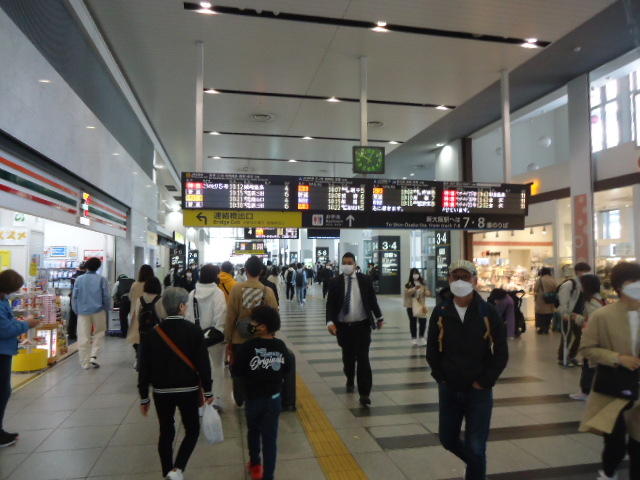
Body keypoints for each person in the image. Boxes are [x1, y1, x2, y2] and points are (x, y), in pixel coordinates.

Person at [426, 260, 508, 480]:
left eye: (465, 277)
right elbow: (432, 348)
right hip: (449, 388)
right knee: (447, 439)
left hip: (478, 390)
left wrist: (485, 381)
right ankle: (478, 468)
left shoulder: (487, 311)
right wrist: (440, 377)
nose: (460, 281)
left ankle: (476, 474)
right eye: (456, 277)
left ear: (475, 280)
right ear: (449, 279)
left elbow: (501, 351)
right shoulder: (441, 311)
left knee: (476, 445)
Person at [138, 287, 213, 480]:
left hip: (161, 391)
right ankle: (177, 469)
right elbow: (203, 364)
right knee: (192, 429)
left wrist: (144, 397)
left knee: (166, 431)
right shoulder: (194, 331)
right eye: (186, 304)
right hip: (188, 389)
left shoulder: (152, 334)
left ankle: (167, 472)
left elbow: (143, 367)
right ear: (181, 306)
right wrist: (208, 390)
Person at [579, 262, 640, 480]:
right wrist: (618, 358)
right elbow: (586, 349)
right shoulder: (602, 316)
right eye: (632, 282)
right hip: (613, 387)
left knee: (638, 444)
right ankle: (609, 472)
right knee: (615, 441)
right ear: (619, 287)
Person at [233, 306, 290, 480]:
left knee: (253, 431)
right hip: (274, 400)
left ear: (263, 327)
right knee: (270, 439)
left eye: (254, 321)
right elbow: (287, 368)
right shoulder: (280, 346)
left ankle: (255, 463)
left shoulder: (248, 346)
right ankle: (269, 476)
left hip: (253, 399)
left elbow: (236, 371)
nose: (251, 324)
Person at [326, 252, 383, 407]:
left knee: (363, 358)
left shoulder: (365, 280)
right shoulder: (335, 282)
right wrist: (330, 322)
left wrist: (379, 317)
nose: (347, 265)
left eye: (349, 263)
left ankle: (364, 394)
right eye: (344, 263)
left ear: (355, 264)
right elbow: (330, 305)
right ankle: (350, 377)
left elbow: (372, 300)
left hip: (362, 326)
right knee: (348, 358)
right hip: (344, 327)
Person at [226, 256, 278, 406]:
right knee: (258, 369)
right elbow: (274, 317)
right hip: (261, 340)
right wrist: (271, 336)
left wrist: (228, 339)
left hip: (239, 340)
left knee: (239, 369)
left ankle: (239, 396)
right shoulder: (267, 291)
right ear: (261, 271)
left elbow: (230, 317)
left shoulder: (236, 289)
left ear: (246, 270)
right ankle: (255, 395)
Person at [0, 270, 39, 447]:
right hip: (1, 351)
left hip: (5, 351)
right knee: (2, 391)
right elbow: (5, 329)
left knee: (4, 391)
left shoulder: (3, 300)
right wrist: (26, 324)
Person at [185, 264, 227, 411]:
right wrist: (219, 331)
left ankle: (200, 400)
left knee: (198, 367)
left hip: (196, 338)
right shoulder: (218, 293)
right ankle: (215, 400)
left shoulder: (192, 294)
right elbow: (221, 316)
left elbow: (187, 317)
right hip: (214, 338)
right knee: (217, 366)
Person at [569, 274, 605, 401]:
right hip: (596, 338)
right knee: (590, 365)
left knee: (588, 365)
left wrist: (577, 318)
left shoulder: (592, 303)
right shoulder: (598, 299)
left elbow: (592, 322)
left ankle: (586, 391)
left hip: (593, 339)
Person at [72, 257, 110, 369]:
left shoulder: (79, 279)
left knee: (83, 336)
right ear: (98, 267)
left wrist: (76, 310)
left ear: (86, 266)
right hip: (98, 311)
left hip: (82, 312)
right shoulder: (102, 279)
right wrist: (106, 308)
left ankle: (84, 363)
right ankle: (93, 356)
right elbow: (106, 296)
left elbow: (74, 297)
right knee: (99, 333)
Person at [558, 262, 592, 366]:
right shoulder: (569, 284)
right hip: (569, 315)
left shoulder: (584, 284)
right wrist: (564, 314)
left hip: (579, 316)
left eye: (587, 271)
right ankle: (562, 358)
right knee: (567, 337)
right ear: (577, 272)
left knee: (579, 337)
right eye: (583, 271)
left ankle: (571, 356)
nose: (586, 273)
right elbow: (563, 301)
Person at [131, 277, 166, 367]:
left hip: (143, 331)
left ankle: (140, 363)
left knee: (143, 351)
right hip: (158, 332)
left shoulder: (140, 300)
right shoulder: (160, 299)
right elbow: (163, 316)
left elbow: (137, 315)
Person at [127, 264, 155, 367]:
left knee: (136, 337)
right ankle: (146, 357)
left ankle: (138, 357)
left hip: (136, 314)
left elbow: (130, 297)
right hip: (151, 315)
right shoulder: (153, 284)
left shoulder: (135, 285)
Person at [403, 268, 431, 346]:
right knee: (413, 322)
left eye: (417, 273)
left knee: (423, 321)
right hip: (411, 306)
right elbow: (407, 293)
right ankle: (414, 338)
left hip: (421, 305)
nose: (415, 275)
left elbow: (427, 292)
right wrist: (414, 288)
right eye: (414, 273)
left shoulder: (423, 283)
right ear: (411, 275)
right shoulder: (408, 284)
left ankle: (422, 337)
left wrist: (426, 292)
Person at [534, 267, 557, 334]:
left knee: (541, 314)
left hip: (541, 299)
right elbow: (556, 288)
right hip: (550, 299)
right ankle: (547, 328)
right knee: (549, 314)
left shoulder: (540, 280)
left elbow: (535, 289)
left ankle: (541, 328)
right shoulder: (552, 279)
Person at [67, 262, 86, 341]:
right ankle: (83, 334)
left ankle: (71, 334)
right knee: (84, 318)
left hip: (73, 298)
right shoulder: (85, 277)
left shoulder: (73, 276)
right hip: (83, 299)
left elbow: (72, 287)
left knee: (72, 317)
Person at [112, 273, 134, 338]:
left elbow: (113, 294)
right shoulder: (133, 281)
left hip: (124, 300)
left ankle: (124, 334)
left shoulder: (118, 282)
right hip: (133, 300)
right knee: (134, 317)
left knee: (123, 317)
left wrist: (117, 302)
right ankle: (133, 333)